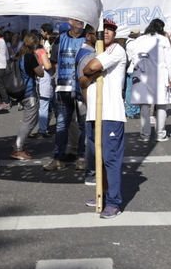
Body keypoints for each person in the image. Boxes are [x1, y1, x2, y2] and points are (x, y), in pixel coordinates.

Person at [79, 19, 129, 218]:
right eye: (103, 30)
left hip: (111, 114)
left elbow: (91, 68)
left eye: (110, 30)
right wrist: (91, 73)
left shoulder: (117, 50)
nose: (106, 33)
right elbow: (83, 78)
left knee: (111, 159)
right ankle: (103, 193)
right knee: (97, 158)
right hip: (93, 113)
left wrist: (92, 71)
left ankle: (114, 202)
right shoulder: (93, 52)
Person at [46, 19, 89, 170]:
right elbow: (55, 61)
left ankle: (82, 157)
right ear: (70, 21)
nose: (80, 22)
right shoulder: (61, 38)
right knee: (61, 126)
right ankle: (58, 158)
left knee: (83, 125)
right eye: (77, 19)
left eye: (82, 20)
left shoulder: (88, 38)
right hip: (63, 88)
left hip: (82, 88)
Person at [128, 19, 171, 143]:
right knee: (162, 104)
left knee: (145, 105)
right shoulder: (163, 40)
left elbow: (133, 57)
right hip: (160, 76)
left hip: (143, 75)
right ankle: (160, 134)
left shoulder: (139, 40)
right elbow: (169, 60)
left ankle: (145, 135)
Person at [11, 32, 45, 159]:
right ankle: (17, 148)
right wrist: (37, 60)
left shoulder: (19, 55)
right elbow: (40, 73)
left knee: (32, 119)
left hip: (20, 89)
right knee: (28, 121)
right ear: (34, 44)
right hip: (29, 92)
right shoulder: (30, 57)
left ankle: (20, 144)